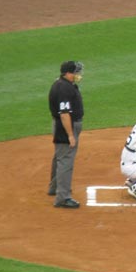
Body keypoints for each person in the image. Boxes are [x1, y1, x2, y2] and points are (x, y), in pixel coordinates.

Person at [48, 60, 84, 209]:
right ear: (68, 73)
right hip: (66, 126)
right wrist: (70, 135)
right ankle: (62, 198)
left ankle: (54, 187)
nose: (78, 75)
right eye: (76, 72)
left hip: (62, 125)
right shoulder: (63, 88)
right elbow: (64, 114)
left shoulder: (62, 84)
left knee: (59, 157)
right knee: (66, 160)